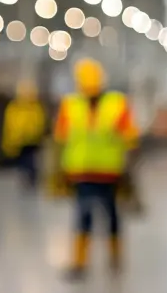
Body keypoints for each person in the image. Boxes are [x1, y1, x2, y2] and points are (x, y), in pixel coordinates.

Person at [56, 58, 139, 279]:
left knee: (109, 214)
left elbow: (130, 135)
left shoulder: (116, 103)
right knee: (84, 214)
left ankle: (114, 258)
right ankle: (81, 262)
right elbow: (61, 137)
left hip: (109, 171)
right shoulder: (70, 104)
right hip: (81, 171)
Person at [2, 80, 46, 193]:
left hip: (32, 140)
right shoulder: (14, 108)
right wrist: (9, 143)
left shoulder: (34, 107)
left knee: (29, 160)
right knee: (24, 162)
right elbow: (9, 126)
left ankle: (31, 178)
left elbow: (40, 123)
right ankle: (28, 178)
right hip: (20, 141)